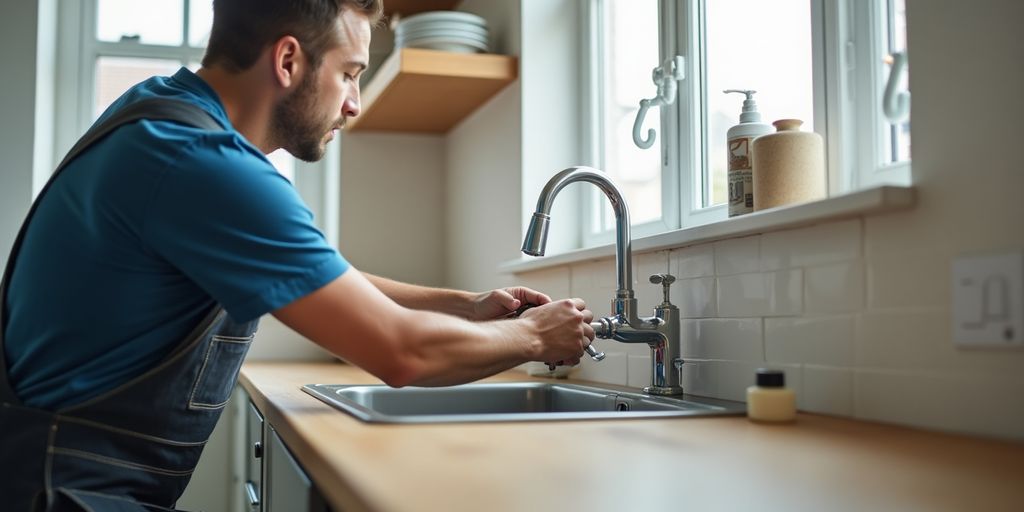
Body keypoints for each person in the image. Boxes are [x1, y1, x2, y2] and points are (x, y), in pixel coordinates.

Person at [0, 0, 595, 509]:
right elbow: (403, 354)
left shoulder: (162, 113)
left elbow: (312, 274)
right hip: (69, 492)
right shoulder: (207, 164)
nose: (354, 103)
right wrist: (538, 336)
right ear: (288, 61)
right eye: (350, 73)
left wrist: (467, 306)